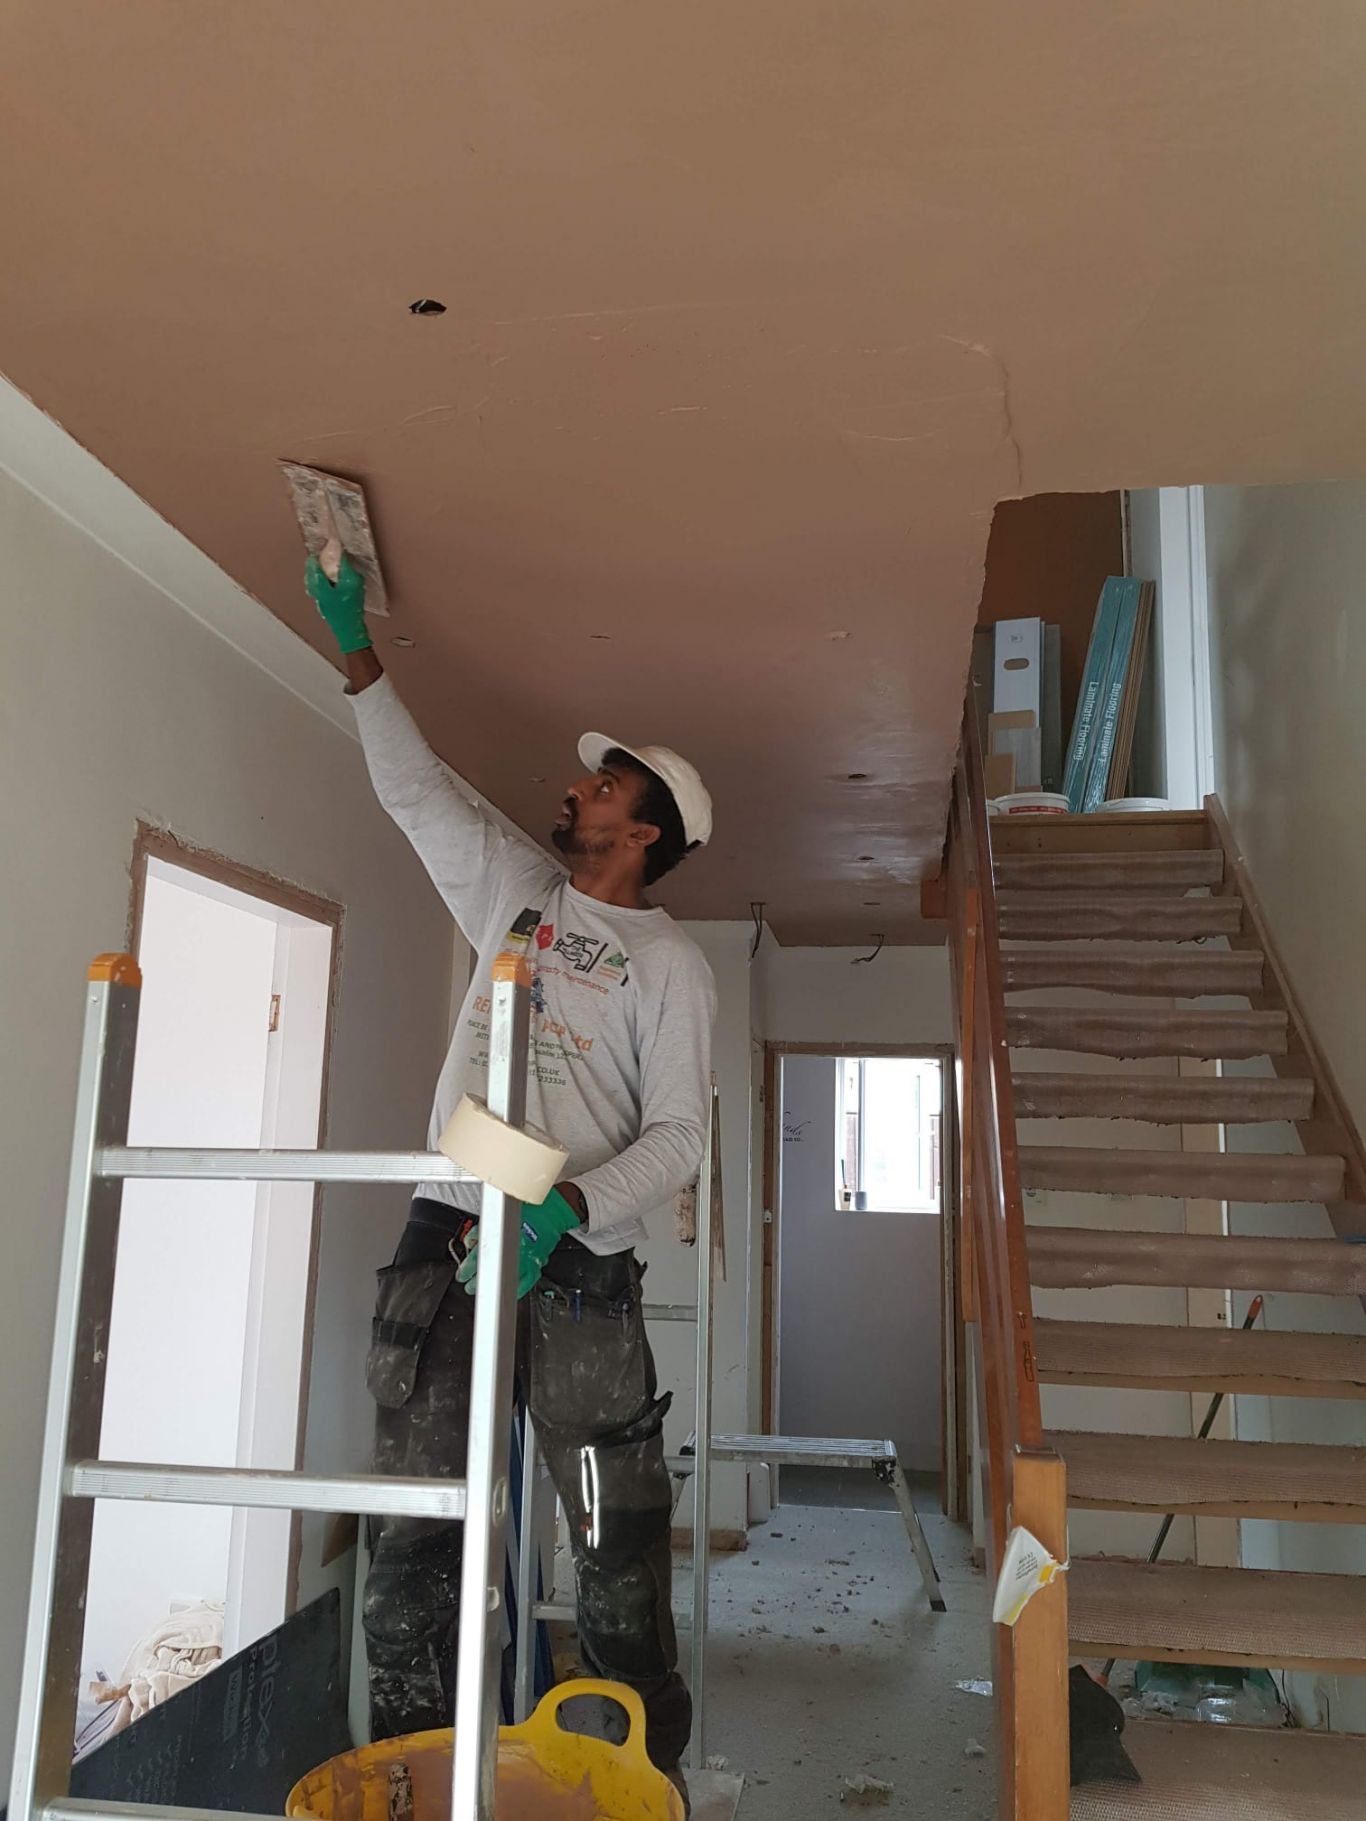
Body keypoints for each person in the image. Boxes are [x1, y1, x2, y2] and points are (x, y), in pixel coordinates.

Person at [305, 554, 716, 1790]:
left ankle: (636, 1785)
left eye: (605, 785)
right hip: (450, 1233)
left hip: (576, 1267)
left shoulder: (669, 966)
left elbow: (681, 1139)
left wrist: (565, 1209)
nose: (575, 787)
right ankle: (412, 1784)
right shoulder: (517, 896)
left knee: (612, 1548)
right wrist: (355, 649)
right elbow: (416, 791)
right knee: (418, 1536)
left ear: (643, 833)